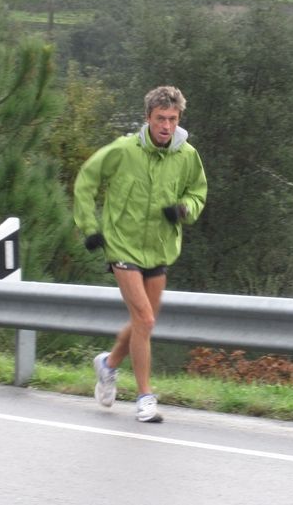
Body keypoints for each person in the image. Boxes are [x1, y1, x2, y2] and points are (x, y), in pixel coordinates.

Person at [73, 86, 207, 423]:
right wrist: (89, 226)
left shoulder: (187, 155)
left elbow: (197, 192)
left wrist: (184, 209)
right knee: (145, 320)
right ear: (148, 118)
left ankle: (108, 365)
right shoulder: (123, 150)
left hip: (160, 249)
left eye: (172, 119)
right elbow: (86, 179)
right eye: (160, 118)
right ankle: (145, 397)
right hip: (122, 245)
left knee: (142, 323)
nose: (166, 126)